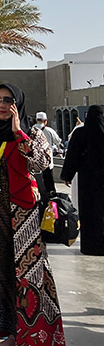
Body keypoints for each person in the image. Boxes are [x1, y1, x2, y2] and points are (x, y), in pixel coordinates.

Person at [0, 83, 68, 346]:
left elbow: (41, 163)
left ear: (18, 104)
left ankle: (26, 337)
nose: (1, 104)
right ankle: (8, 332)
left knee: (25, 277)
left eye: (8, 100)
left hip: (22, 219)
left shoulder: (31, 133)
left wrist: (19, 132)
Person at [61, 104, 104, 255]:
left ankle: (90, 246)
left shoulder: (81, 133)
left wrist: (67, 175)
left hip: (87, 179)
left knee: (88, 211)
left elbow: (73, 155)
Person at [33, 111, 62, 200]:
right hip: (47, 160)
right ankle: (50, 196)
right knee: (48, 180)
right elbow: (58, 141)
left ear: (36, 120)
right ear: (45, 121)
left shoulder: (31, 129)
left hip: (34, 159)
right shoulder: (49, 130)